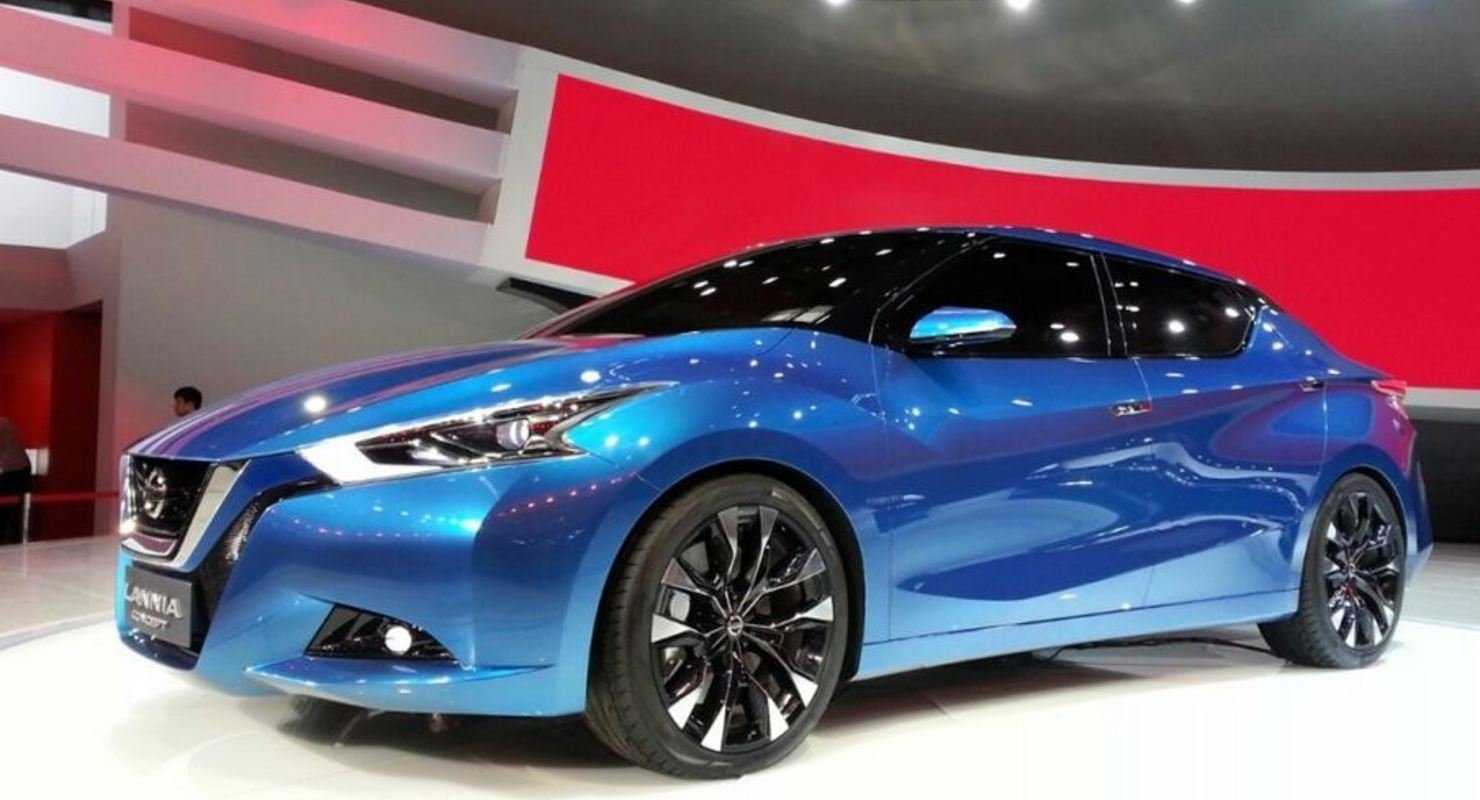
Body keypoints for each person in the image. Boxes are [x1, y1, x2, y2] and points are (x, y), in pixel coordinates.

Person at [0, 417, 33, 545]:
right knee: (15, 512)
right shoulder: (5, 422)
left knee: (5, 511)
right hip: (22, 468)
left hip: (12, 471)